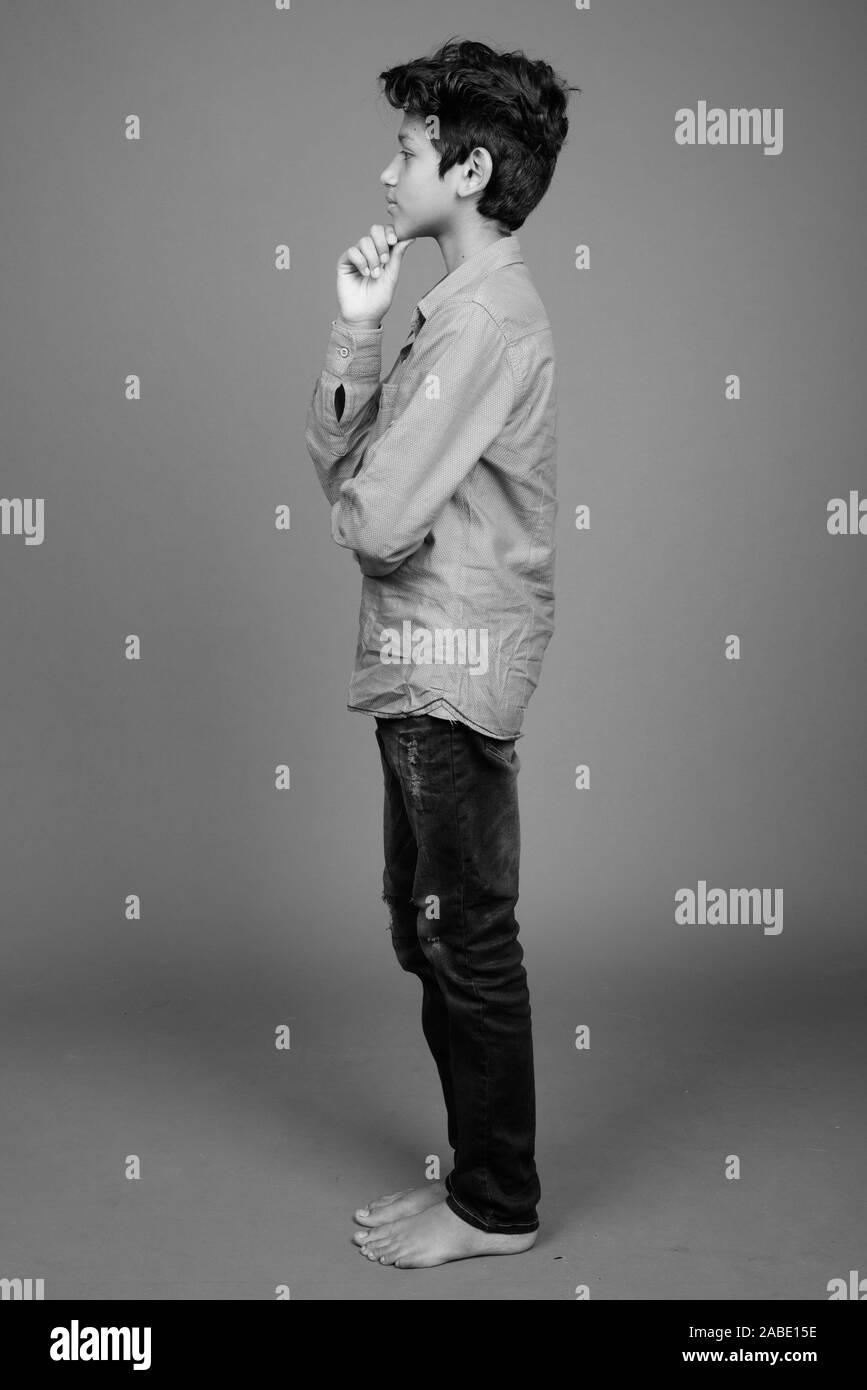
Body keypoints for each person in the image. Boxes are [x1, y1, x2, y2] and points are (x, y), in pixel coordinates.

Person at [304, 36, 578, 1269]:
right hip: (424, 660)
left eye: (409, 149)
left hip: (446, 667)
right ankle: (480, 1187)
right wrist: (357, 332)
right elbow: (363, 486)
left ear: (467, 172)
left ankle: (494, 1204)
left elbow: (372, 516)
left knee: (461, 936)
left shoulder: (483, 327)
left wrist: (360, 478)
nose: (387, 170)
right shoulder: (457, 312)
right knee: (432, 930)